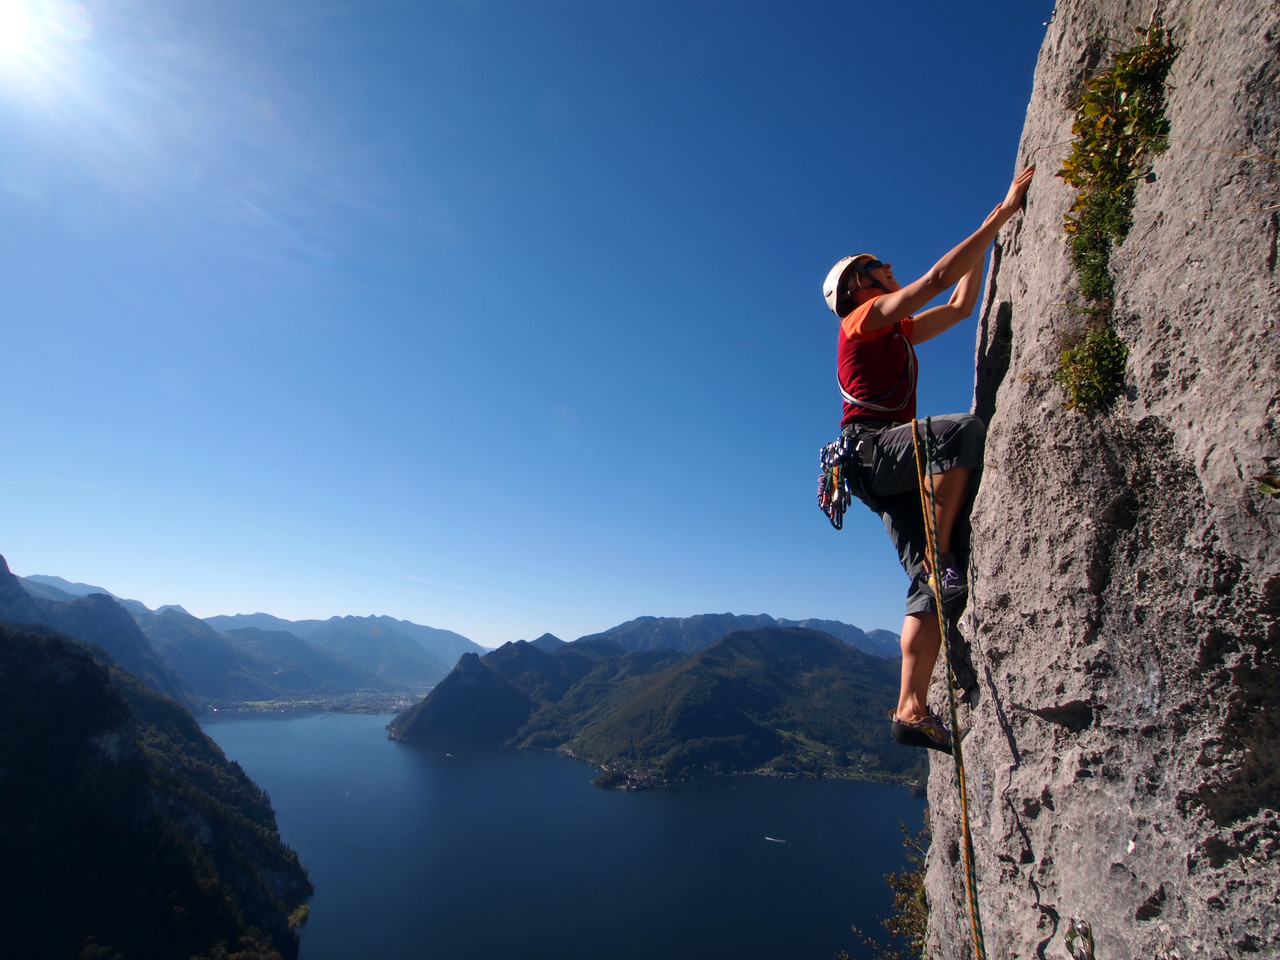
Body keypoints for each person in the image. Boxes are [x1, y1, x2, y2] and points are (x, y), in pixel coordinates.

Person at [822, 165, 1034, 753]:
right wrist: (1001, 214)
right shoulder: (861, 321)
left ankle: (909, 708)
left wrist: (997, 248)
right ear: (857, 288)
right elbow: (938, 277)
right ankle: (940, 555)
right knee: (958, 432)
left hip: (878, 466)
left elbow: (962, 304)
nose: (886, 267)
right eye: (875, 267)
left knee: (936, 588)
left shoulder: (895, 332)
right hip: (875, 451)